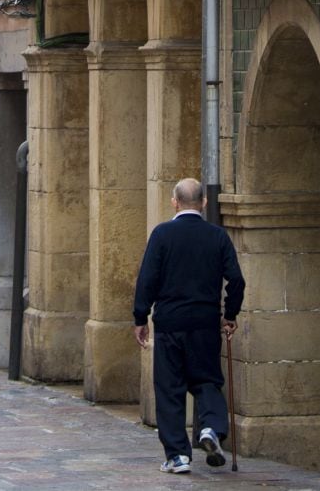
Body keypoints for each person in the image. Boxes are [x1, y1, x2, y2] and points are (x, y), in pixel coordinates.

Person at [133, 177, 245, 475]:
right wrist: (230, 314)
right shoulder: (217, 236)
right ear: (204, 202)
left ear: (174, 201)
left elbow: (147, 279)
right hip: (205, 322)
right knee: (207, 380)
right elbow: (236, 280)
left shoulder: (162, 234)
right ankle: (210, 427)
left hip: (170, 321)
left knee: (170, 387)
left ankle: (178, 456)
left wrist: (140, 317)